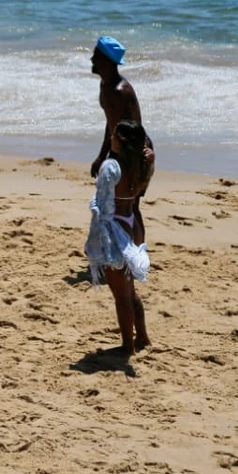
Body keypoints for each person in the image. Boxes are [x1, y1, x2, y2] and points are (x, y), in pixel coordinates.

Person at [85, 119, 152, 356]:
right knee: (130, 288)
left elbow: (102, 203)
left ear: (121, 141)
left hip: (115, 229)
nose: (109, 138)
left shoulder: (111, 166)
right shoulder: (142, 165)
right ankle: (142, 336)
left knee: (121, 294)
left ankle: (127, 346)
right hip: (133, 222)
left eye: (113, 135)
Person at [90, 35, 154, 242]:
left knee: (131, 205)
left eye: (96, 56)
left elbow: (128, 129)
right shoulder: (105, 86)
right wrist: (102, 157)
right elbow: (111, 125)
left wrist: (140, 159)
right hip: (121, 148)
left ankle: (138, 253)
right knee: (119, 203)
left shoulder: (119, 91)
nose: (92, 60)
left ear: (107, 62)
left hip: (136, 151)